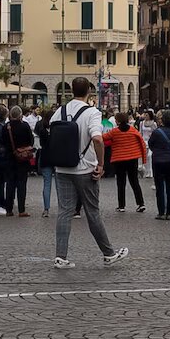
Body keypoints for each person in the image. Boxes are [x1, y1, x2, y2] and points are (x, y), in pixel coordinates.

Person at [48, 79, 128, 269]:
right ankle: (108, 253)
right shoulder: (92, 112)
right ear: (89, 93)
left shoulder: (60, 111)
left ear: (71, 91)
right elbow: (98, 139)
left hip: (62, 167)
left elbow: (50, 131)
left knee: (64, 211)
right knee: (92, 211)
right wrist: (101, 164)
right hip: (85, 168)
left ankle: (60, 256)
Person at [102, 109, 148, 214]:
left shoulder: (114, 132)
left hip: (119, 159)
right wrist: (143, 159)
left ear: (117, 121)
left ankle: (121, 206)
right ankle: (141, 204)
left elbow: (103, 138)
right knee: (134, 182)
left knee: (121, 182)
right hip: (132, 159)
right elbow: (142, 143)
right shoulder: (133, 130)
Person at [148, 108, 170, 219]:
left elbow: (150, 144)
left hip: (158, 161)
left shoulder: (157, 132)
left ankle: (161, 212)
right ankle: (169, 212)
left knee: (160, 187)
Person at [3, 105, 34, 217]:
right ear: (20, 115)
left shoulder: (6, 127)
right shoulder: (25, 126)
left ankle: (9, 209)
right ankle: (21, 210)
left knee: (10, 184)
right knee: (21, 184)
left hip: (9, 158)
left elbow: (2, 142)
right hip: (22, 159)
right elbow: (31, 140)